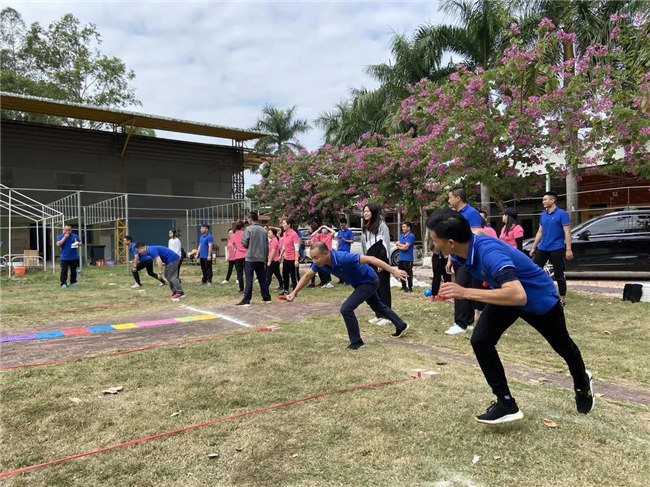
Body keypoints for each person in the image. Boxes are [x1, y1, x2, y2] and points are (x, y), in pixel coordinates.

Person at [426, 209, 593, 424]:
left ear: (450, 242)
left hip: (537, 299)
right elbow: (477, 232)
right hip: (505, 296)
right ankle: (506, 403)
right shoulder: (465, 245)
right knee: (481, 341)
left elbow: (518, 294)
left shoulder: (488, 254)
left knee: (563, 347)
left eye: (434, 240)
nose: (433, 245)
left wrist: (464, 292)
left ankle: (582, 383)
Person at [286, 242, 410, 349]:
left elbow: (371, 259)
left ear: (325, 253)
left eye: (316, 257)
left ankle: (356, 342)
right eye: (312, 258)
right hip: (359, 283)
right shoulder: (320, 264)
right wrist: (294, 292)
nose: (314, 261)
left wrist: (394, 271)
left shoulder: (343, 258)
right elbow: (307, 276)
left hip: (369, 280)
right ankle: (401, 325)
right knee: (377, 305)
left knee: (346, 309)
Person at [445, 188, 484, 335]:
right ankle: (467, 322)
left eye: (450, 197)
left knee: (460, 288)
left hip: (467, 257)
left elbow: (477, 231)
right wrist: (449, 258)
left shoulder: (472, 213)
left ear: (458, 198)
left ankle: (460, 323)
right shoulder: (454, 214)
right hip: (456, 257)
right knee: (463, 287)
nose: (449, 200)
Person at [529, 191, 573, 306]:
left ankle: (562, 298)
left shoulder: (562, 214)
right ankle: (536, 294)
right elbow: (540, 232)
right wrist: (534, 247)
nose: (543, 202)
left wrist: (568, 249)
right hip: (543, 247)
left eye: (545, 199)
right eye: (543, 200)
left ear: (552, 200)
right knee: (534, 271)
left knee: (559, 274)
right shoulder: (543, 215)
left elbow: (567, 232)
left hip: (557, 248)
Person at [361, 203, 393, 326]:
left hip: (381, 261)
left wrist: (382, 262)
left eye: (368, 211)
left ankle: (387, 316)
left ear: (374, 212)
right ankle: (378, 314)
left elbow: (385, 244)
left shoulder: (381, 226)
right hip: (370, 261)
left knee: (383, 288)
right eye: (364, 212)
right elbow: (365, 247)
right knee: (374, 289)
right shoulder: (365, 228)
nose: (366, 214)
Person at [237, 211, 272, 306]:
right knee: (262, 279)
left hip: (250, 257)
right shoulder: (263, 231)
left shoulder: (248, 229)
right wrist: (265, 257)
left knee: (249, 279)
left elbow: (244, 243)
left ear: (250, 218)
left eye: (248, 218)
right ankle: (266, 297)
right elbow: (267, 245)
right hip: (261, 258)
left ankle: (246, 299)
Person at [56, 224, 83, 289]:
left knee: (73, 270)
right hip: (64, 257)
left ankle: (73, 282)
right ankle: (63, 283)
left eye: (69, 230)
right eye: (66, 230)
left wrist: (78, 243)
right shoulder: (60, 236)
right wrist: (65, 237)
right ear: (64, 230)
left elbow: (81, 243)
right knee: (64, 271)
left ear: (71, 230)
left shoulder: (75, 236)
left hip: (74, 256)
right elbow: (58, 244)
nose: (68, 231)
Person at [279, 217, 300, 294]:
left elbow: (296, 248)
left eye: (284, 223)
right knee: (285, 274)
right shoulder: (284, 234)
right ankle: (286, 290)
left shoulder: (294, 234)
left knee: (293, 276)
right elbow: (284, 246)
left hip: (293, 258)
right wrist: (281, 255)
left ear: (289, 225)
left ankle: (295, 291)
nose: (283, 225)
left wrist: (296, 260)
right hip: (286, 257)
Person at [396, 221, 416, 292]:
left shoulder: (411, 236)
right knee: (401, 272)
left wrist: (400, 245)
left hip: (408, 258)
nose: (402, 228)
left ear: (409, 228)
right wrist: (402, 246)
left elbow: (406, 247)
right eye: (402, 227)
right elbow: (397, 245)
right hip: (401, 258)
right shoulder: (401, 236)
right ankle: (404, 286)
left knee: (409, 273)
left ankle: (410, 287)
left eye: (404, 227)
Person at [232, 221, 247, 295]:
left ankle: (241, 289)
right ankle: (249, 288)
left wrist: (236, 251)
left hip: (238, 255)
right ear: (243, 227)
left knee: (240, 273)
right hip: (246, 255)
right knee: (248, 272)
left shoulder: (234, 234)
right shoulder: (244, 233)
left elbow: (233, 245)